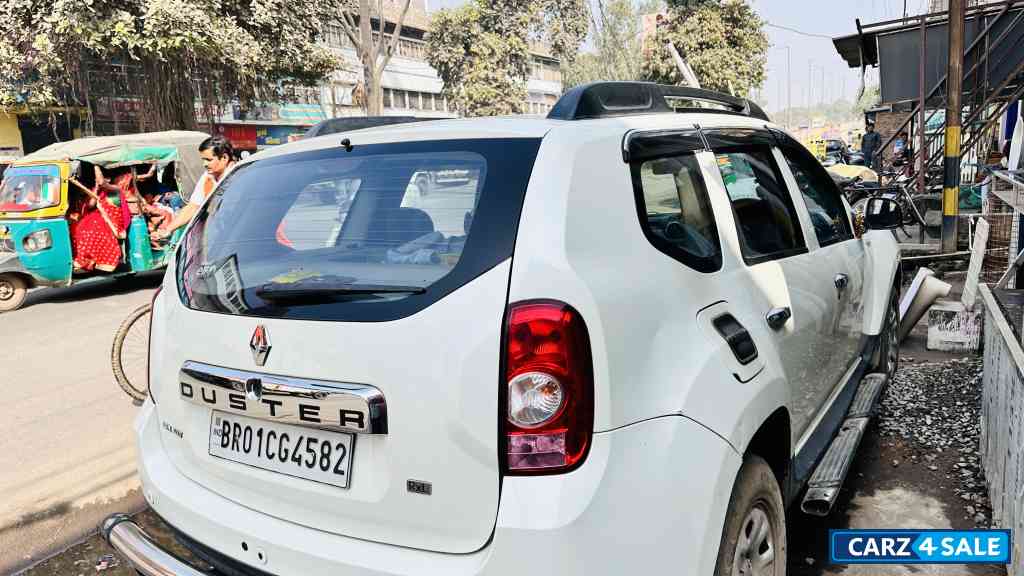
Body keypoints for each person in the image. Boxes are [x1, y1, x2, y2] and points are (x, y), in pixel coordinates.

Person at [153, 136, 237, 241]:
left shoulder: (239, 177)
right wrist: (168, 229)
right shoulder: (207, 177)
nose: (204, 164)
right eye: (203, 160)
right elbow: (193, 206)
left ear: (224, 158)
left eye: (209, 160)